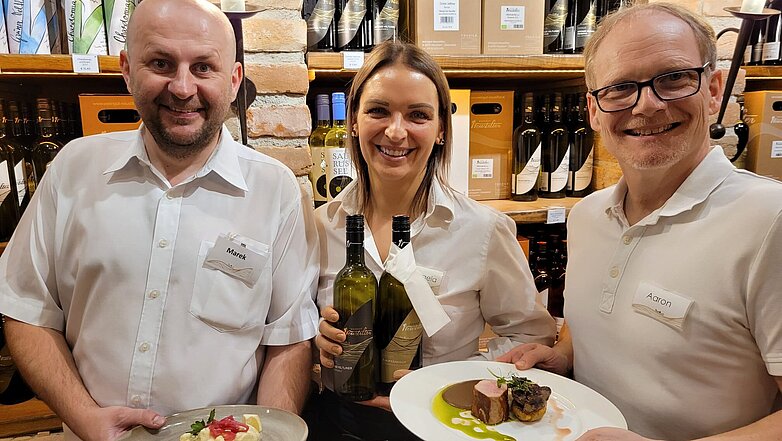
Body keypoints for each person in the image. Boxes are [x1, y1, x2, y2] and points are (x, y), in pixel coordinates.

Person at [0, 0, 319, 439]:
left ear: (234, 80)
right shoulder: (74, 170)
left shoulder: (276, 191)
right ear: (127, 69)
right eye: (161, 63)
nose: (183, 87)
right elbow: (26, 309)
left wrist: (261, 435)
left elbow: (288, 340)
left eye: (204, 67)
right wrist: (82, 416)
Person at [497, 3, 782, 440]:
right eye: (620, 88)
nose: (646, 105)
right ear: (593, 109)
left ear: (713, 89)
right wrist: (566, 353)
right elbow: (599, 317)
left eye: (673, 78)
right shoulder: (589, 216)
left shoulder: (770, 221)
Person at [310, 40, 556, 441]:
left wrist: (457, 380)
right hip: (339, 424)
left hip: (444, 426)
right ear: (353, 121)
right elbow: (297, 333)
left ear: (442, 129)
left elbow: (531, 336)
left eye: (418, 115)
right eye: (378, 110)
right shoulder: (321, 225)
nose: (395, 130)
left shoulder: (483, 229)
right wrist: (317, 350)